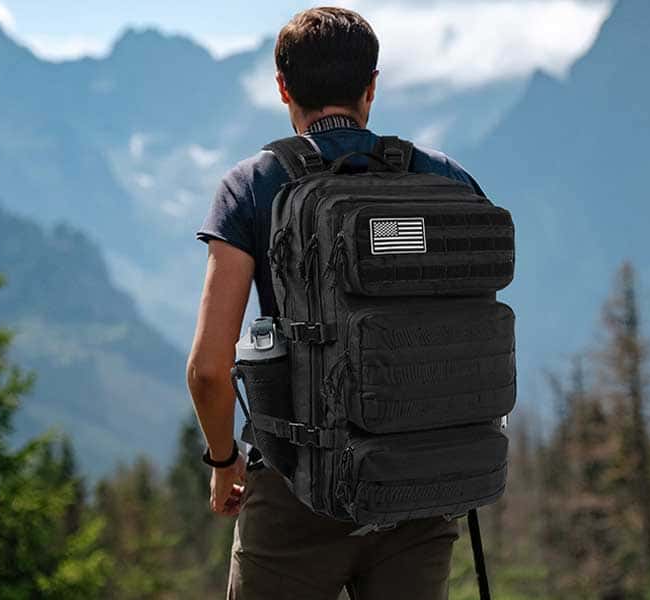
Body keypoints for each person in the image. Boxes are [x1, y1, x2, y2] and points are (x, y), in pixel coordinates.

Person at [187, 7, 487, 599]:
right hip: (418, 488)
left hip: (295, 486)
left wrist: (223, 464)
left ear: (282, 88)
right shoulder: (445, 180)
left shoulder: (252, 186)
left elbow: (207, 371)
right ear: (371, 86)